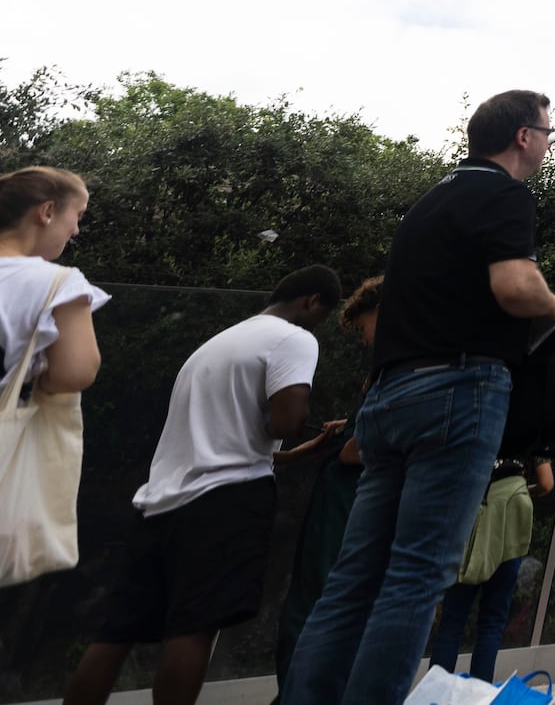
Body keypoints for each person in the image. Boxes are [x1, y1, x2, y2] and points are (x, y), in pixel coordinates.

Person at [285, 92, 555, 705]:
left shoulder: (428, 202)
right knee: (417, 575)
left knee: (353, 578)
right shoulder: (506, 193)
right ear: (523, 136)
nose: (550, 143)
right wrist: (554, 307)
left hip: (390, 396)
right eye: (548, 132)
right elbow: (514, 285)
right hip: (459, 392)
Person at [64, 266, 343, 705]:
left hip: (159, 503)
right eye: (321, 316)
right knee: (194, 627)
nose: (317, 326)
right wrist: (302, 420)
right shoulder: (294, 338)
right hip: (226, 502)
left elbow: (222, 439)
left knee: (116, 633)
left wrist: (299, 453)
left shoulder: (213, 346)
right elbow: (286, 421)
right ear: (312, 302)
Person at [273, 277, 385, 693]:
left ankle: (300, 691)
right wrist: (351, 425)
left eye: (365, 327)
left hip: (346, 499)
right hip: (350, 499)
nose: (365, 340)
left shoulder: (393, 368)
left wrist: (353, 439)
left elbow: (361, 449)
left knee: (316, 597)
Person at [430, 455, 555, 683]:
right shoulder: (532, 435)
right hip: (510, 523)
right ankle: (479, 693)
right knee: (491, 622)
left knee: (452, 621)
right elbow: (546, 483)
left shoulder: (481, 432)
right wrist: (521, 490)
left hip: (472, 517)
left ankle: (435, 692)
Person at [0, 165, 105, 401]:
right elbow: (75, 373)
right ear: (47, 211)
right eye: (78, 215)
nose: (76, 230)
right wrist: (34, 381)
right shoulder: (60, 283)